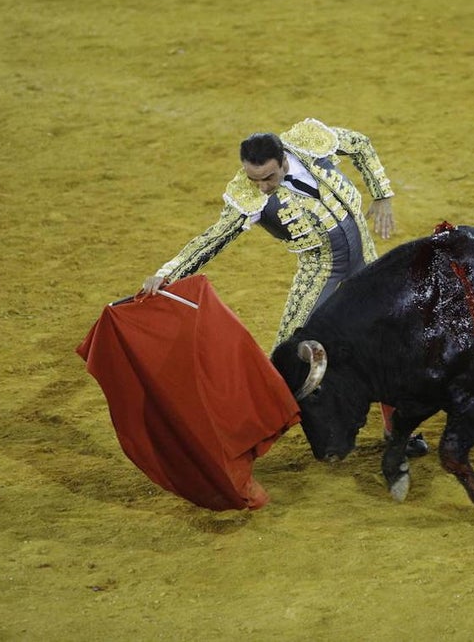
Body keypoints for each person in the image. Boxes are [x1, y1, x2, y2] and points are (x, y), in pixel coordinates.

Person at [141, 117, 428, 456]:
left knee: (391, 341)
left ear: (284, 159)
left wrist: (382, 195)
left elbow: (361, 144)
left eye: (269, 178)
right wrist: (169, 272)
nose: (262, 187)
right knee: (288, 363)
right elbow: (214, 238)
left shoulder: (309, 141)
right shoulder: (248, 196)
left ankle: (398, 433)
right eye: (254, 179)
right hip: (321, 273)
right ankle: (241, 442)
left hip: (366, 264)